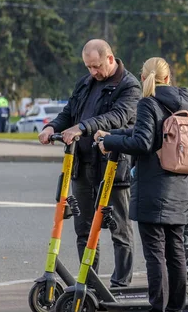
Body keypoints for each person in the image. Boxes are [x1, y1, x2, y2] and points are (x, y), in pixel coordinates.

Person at [97, 57, 188, 312]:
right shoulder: (185, 102)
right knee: (176, 253)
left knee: (156, 255)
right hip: (181, 185)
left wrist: (108, 142)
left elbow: (142, 142)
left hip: (154, 187)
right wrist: (115, 134)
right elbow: (151, 133)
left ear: (144, 77)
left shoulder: (148, 103)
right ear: (168, 76)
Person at [38, 39, 141, 287]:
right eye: (88, 67)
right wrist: (52, 126)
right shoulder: (86, 83)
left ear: (110, 58)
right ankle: (90, 282)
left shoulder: (129, 86)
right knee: (83, 228)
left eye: (96, 66)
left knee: (119, 228)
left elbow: (116, 117)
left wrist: (82, 127)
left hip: (113, 166)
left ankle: (120, 284)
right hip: (82, 164)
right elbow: (70, 111)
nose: (93, 72)